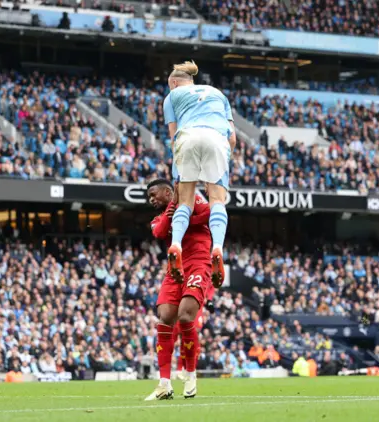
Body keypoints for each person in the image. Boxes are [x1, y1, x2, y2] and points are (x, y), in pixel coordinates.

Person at [162, 60, 236, 289]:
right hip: (216, 139)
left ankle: (176, 245)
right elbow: (232, 138)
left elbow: (173, 138)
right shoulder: (218, 94)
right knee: (217, 200)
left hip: (188, 137)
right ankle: (217, 248)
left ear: (174, 82)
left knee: (185, 201)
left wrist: (179, 178)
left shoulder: (171, 97)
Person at [144, 179, 211, 401]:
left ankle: (190, 374)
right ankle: (164, 384)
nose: (151, 200)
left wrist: (185, 209)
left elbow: (209, 213)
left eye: (154, 195)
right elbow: (160, 231)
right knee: (164, 318)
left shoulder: (192, 197)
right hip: (175, 266)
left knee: (185, 316)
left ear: (167, 191)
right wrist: (174, 209)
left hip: (198, 261)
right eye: (149, 197)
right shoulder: (158, 219)